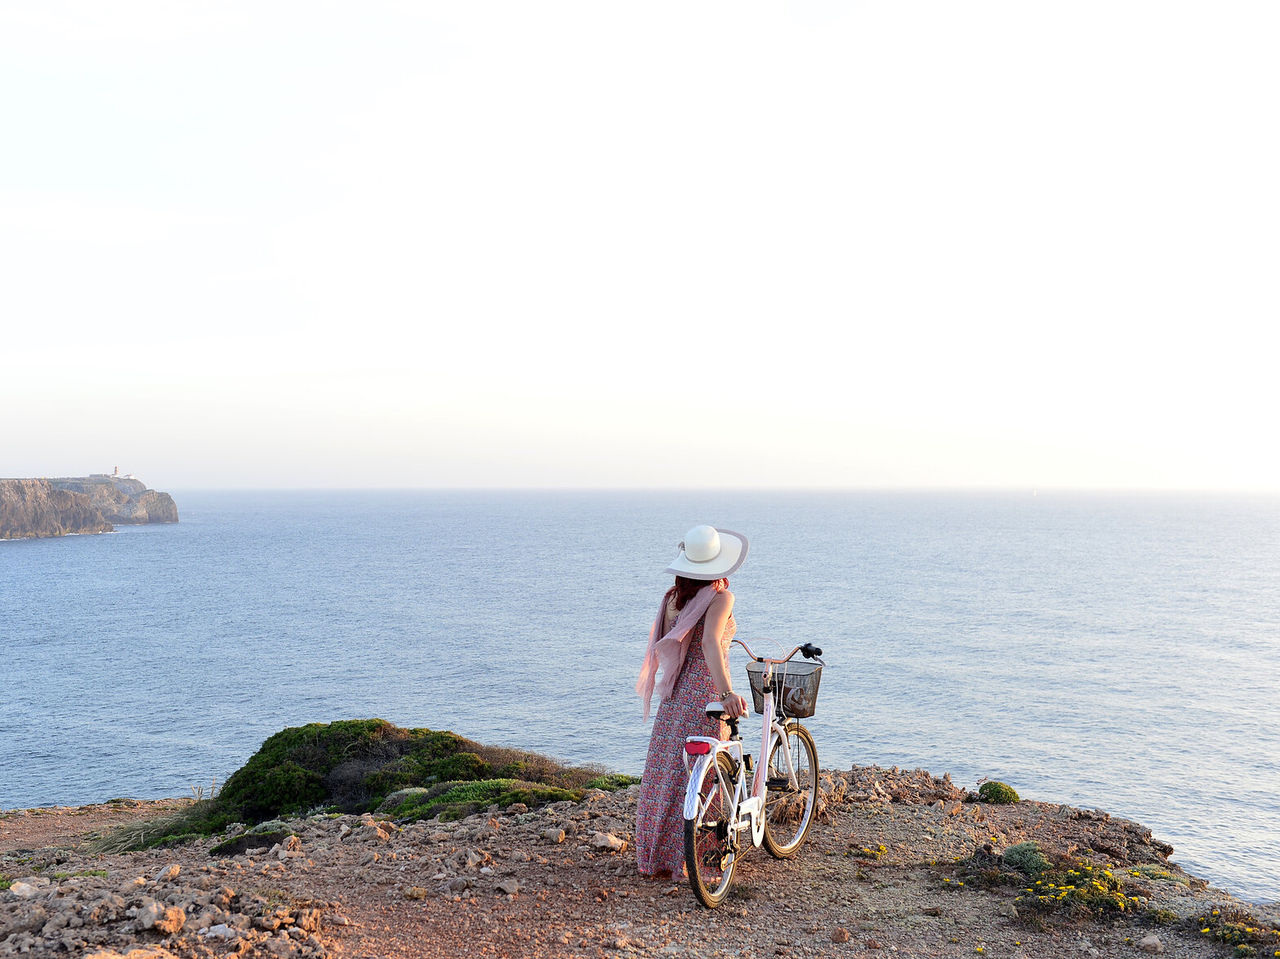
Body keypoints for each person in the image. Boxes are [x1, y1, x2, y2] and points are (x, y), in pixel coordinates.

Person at [634, 525, 751, 878]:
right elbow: (710, 644)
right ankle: (700, 859)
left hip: (675, 694)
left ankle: (659, 857)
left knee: (668, 773)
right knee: (708, 774)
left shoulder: (673, 597)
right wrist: (726, 693)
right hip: (704, 694)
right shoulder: (720, 598)